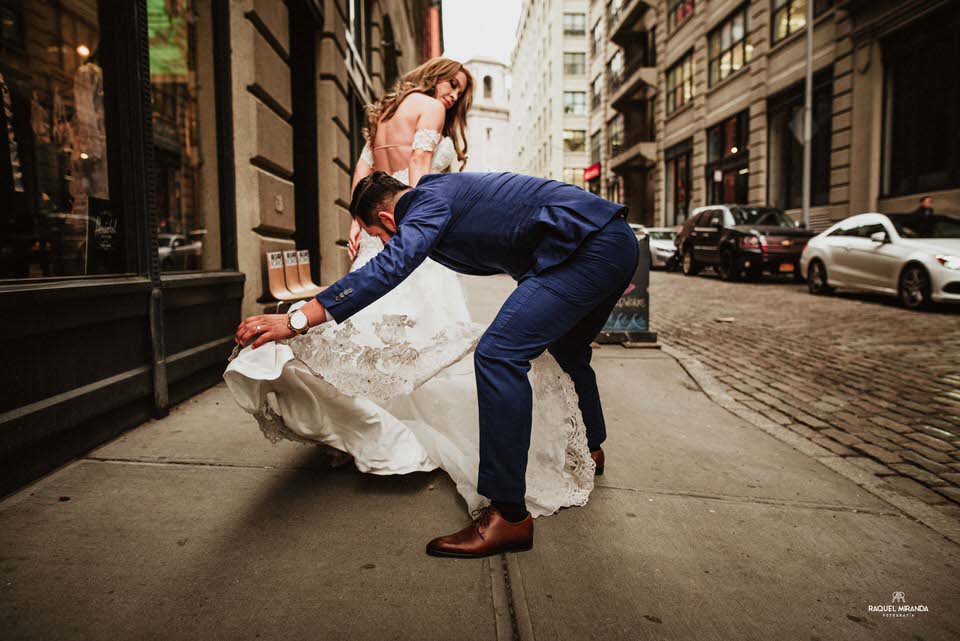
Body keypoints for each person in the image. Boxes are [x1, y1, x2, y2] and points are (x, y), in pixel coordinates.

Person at [225, 59, 596, 535]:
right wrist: (422, 227)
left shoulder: (383, 117)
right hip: (412, 230)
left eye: (459, 91)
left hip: (378, 227)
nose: (452, 96)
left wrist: (356, 228)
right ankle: (407, 434)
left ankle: (362, 429)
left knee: (368, 334)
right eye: (450, 84)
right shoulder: (430, 113)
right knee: (430, 338)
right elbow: (420, 177)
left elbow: (362, 176)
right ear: (433, 75)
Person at [235, 170, 638, 558]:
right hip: (613, 242)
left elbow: (391, 266)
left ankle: (510, 516)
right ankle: (589, 449)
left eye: (380, 235)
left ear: (387, 218)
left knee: (498, 355)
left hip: (587, 251)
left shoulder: (425, 202)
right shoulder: (442, 190)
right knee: (569, 352)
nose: (386, 242)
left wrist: (297, 319)